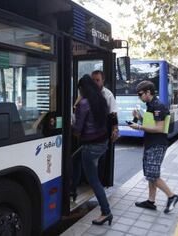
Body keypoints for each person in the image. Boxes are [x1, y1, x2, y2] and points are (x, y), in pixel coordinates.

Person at [130, 81, 178, 214]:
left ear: (148, 92)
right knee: (150, 174)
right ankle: (151, 201)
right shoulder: (150, 105)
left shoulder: (158, 106)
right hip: (150, 143)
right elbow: (151, 124)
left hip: (157, 145)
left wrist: (139, 127)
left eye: (140, 94)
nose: (139, 97)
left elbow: (159, 128)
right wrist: (139, 118)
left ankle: (172, 196)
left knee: (152, 174)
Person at [72, 74, 112, 225]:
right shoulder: (99, 100)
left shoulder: (83, 104)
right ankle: (72, 190)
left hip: (91, 146)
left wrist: (73, 113)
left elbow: (77, 130)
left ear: (82, 89)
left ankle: (106, 212)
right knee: (74, 159)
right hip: (102, 143)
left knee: (93, 180)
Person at [91, 70, 119, 142]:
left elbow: (113, 113)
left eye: (97, 80)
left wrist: (115, 129)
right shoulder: (86, 93)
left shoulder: (108, 95)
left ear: (103, 80)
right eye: (93, 80)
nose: (95, 83)